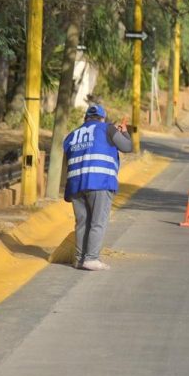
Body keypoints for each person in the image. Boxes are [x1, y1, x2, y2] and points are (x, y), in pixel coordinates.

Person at [63, 104, 133, 271]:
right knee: (98, 222)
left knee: (82, 222)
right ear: (102, 118)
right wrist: (124, 132)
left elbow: (67, 160)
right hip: (99, 181)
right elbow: (127, 147)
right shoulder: (107, 129)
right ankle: (91, 258)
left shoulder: (72, 136)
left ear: (85, 118)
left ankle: (79, 259)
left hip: (76, 184)